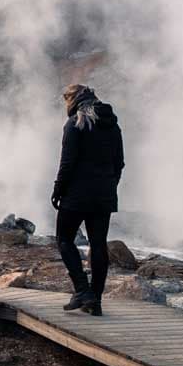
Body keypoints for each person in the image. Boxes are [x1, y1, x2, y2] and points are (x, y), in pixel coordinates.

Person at [52, 84, 125, 316]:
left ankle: (83, 290)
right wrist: (110, 185)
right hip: (104, 195)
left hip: (76, 194)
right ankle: (96, 301)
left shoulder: (75, 124)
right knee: (98, 244)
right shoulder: (113, 125)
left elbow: (67, 163)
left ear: (73, 100)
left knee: (64, 239)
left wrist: (57, 190)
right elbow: (119, 163)